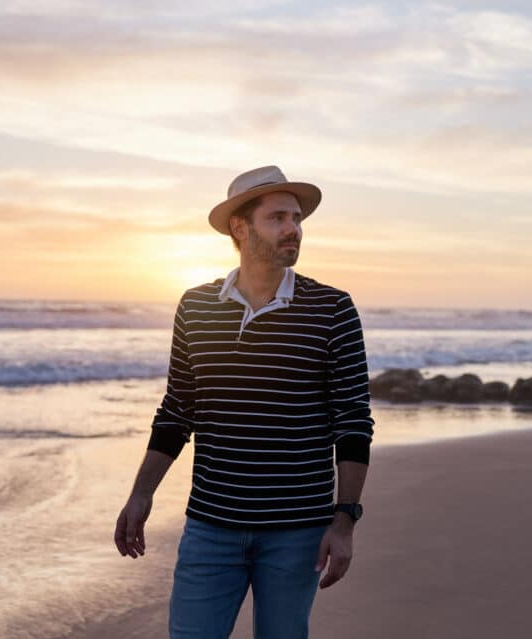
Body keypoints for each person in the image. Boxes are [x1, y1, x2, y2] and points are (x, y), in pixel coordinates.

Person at [113, 165, 374, 638]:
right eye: (277, 218)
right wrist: (141, 493)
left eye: (297, 218)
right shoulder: (196, 306)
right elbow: (177, 410)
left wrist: (345, 520)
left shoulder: (333, 309)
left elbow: (353, 422)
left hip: (298, 531)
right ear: (240, 227)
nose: (293, 229)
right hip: (211, 526)